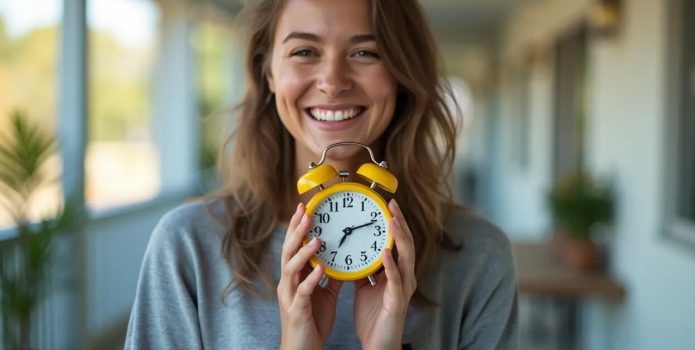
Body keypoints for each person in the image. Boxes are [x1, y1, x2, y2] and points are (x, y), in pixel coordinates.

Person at [124, 0, 518, 348]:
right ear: (268, 72)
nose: (332, 81)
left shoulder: (477, 257)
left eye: (366, 52)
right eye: (305, 51)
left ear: (402, 73)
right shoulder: (188, 249)